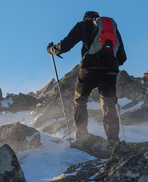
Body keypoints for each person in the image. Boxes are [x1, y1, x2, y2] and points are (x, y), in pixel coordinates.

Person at [47, 11, 127, 142]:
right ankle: (113, 139)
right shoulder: (112, 28)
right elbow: (122, 58)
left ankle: (82, 135)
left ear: (86, 17)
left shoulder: (83, 25)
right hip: (110, 71)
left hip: (89, 70)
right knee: (109, 103)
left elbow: (65, 45)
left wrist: (52, 49)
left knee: (80, 101)